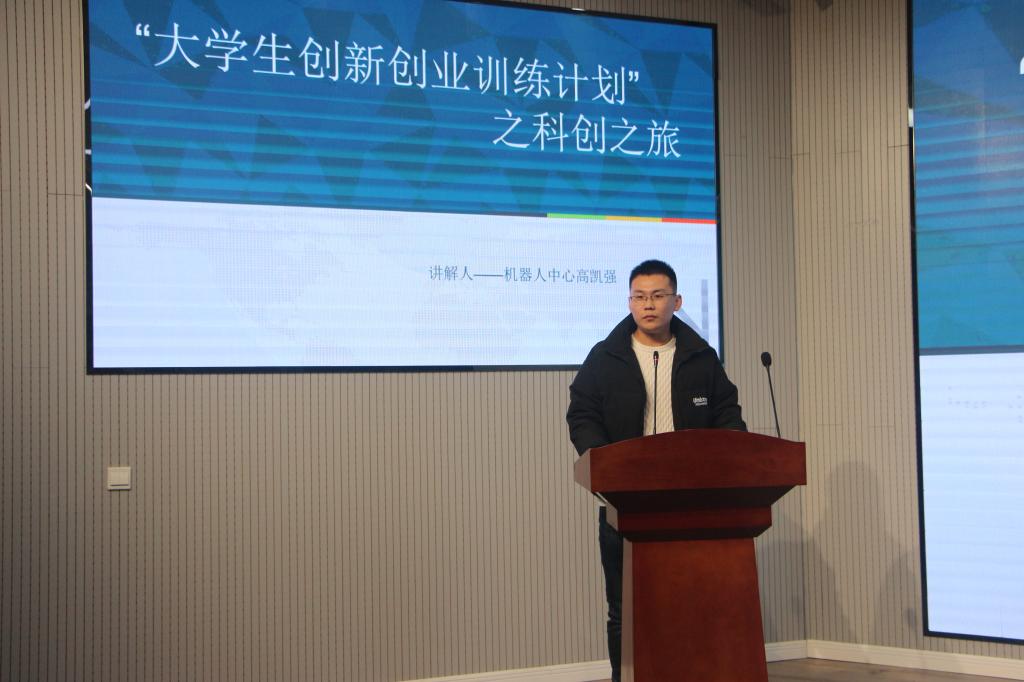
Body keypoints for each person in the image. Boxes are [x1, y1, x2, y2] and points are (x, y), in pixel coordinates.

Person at [565, 259, 746, 682]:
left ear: (676, 302)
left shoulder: (701, 357)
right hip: (623, 503)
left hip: (689, 505)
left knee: (688, 604)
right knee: (623, 609)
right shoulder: (605, 357)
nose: (648, 305)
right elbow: (582, 413)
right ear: (629, 302)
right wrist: (604, 463)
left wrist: (733, 452)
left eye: (658, 296)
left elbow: (727, 414)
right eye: (640, 296)